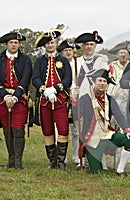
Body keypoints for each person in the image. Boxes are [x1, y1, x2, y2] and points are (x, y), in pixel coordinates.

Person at [74, 69, 130, 174]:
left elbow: (119, 116)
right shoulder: (85, 98)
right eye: (100, 81)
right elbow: (76, 117)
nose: (102, 83)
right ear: (94, 81)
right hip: (92, 140)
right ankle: (89, 161)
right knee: (96, 172)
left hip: (108, 135)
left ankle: (120, 171)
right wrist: (75, 100)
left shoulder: (110, 99)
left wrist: (127, 130)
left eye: (105, 81)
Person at [32, 29, 72, 170]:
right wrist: (44, 90)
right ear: (45, 46)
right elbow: (35, 78)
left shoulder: (63, 60)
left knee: (62, 129)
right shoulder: (39, 61)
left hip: (60, 99)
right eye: (48, 43)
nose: (50, 45)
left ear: (56, 44)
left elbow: (68, 79)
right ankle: (52, 161)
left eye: (52, 43)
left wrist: (55, 89)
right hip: (44, 100)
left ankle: (61, 162)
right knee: (47, 130)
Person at [0, 32, 32, 169]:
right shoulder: (0, 59)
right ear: (7, 44)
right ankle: (11, 160)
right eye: (11, 42)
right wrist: (5, 96)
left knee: (18, 129)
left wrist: (15, 96)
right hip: (2, 99)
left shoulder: (25, 60)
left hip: (20, 98)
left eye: (16, 42)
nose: (14, 45)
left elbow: (25, 80)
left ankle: (18, 162)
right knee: (7, 130)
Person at [57, 40, 81, 165]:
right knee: (61, 129)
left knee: (76, 130)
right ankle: (61, 156)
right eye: (66, 50)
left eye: (70, 50)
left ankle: (76, 156)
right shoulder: (58, 63)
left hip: (76, 99)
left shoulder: (79, 63)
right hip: (62, 98)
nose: (68, 52)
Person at [74, 31, 108, 98]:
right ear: (83, 46)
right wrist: (73, 91)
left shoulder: (101, 60)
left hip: (95, 96)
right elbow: (72, 79)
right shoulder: (76, 61)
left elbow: (104, 79)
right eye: (86, 44)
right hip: (79, 96)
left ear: (95, 46)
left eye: (91, 44)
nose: (89, 47)